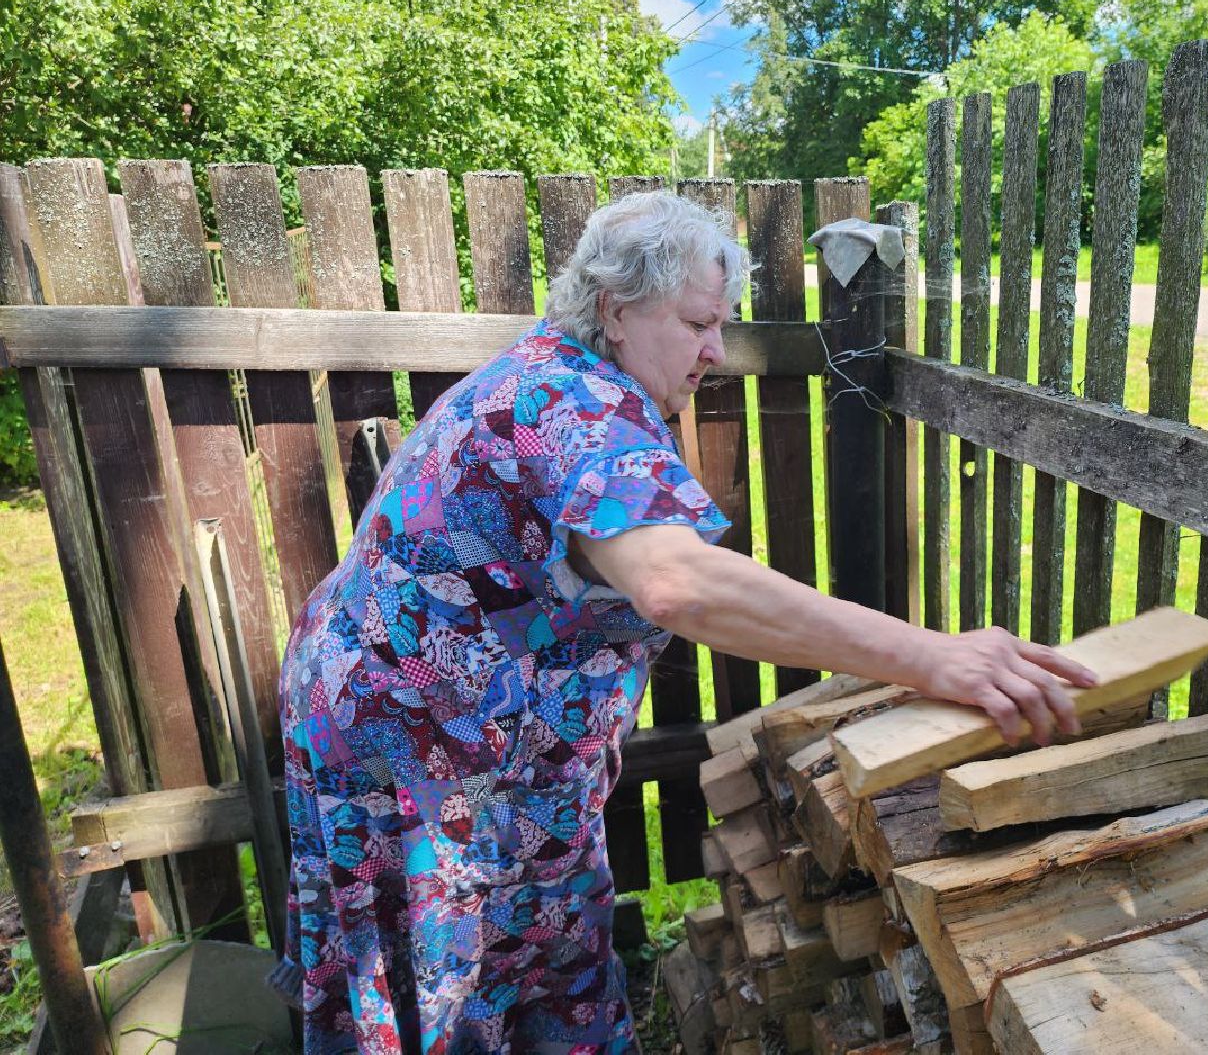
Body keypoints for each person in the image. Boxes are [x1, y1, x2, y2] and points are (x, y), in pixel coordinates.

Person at [272, 190, 1097, 1054]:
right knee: (444, 992)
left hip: (468, 748)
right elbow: (674, 583)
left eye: (723, 323)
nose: (717, 349)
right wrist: (933, 657)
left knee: (550, 954)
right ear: (615, 310)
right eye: (699, 321)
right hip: (419, 755)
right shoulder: (573, 408)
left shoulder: (566, 375)